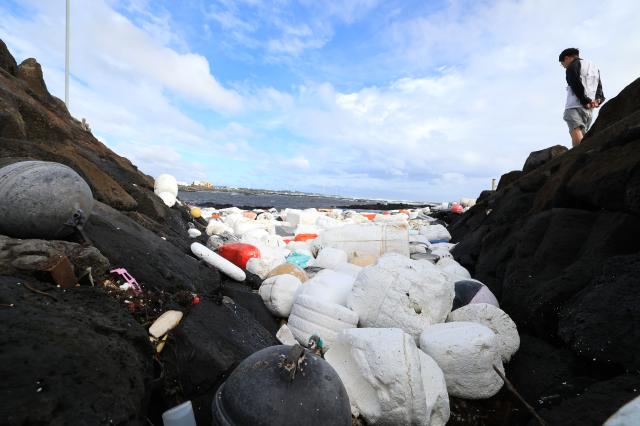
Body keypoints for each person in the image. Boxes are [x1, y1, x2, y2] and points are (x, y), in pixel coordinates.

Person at [559, 48, 605, 147]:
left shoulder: (572, 66)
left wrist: (585, 100)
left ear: (567, 58)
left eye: (562, 64)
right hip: (589, 109)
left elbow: (575, 83)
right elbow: (599, 86)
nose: (564, 67)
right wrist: (598, 100)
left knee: (576, 131)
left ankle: (580, 157)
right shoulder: (594, 67)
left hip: (574, 105)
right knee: (583, 135)